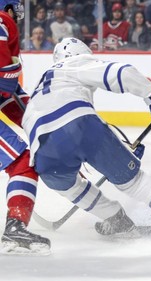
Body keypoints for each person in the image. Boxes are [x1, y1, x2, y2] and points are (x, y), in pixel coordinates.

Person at [21, 37, 151, 244]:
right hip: (80, 125)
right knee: (135, 182)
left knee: (68, 186)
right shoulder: (72, 63)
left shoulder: (40, 87)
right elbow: (121, 73)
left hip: (41, 147)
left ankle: (116, 220)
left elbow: (57, 128)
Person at [0, 0, 50, 253]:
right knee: (23, 162)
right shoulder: (1, 20)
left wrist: (44, 126)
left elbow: (11, 99)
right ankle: (15, 228)